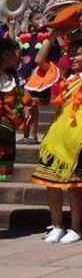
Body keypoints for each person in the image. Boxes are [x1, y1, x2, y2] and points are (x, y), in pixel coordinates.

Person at [32, 39, 82, 244]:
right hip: (57, 137)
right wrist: (52, 36)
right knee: (50, 183)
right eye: (71, 53)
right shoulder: (63, 77)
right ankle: (57, 224)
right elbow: (40, 59)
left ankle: (76, 227)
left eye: (78, 54)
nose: (73, 58)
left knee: (73, 185)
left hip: (77, 138)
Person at [0, 38, 23, 182]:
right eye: (18, 53)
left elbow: (22, 99)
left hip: (6, 131)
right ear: (7, 54)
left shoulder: (14, 77)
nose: (20, 57)